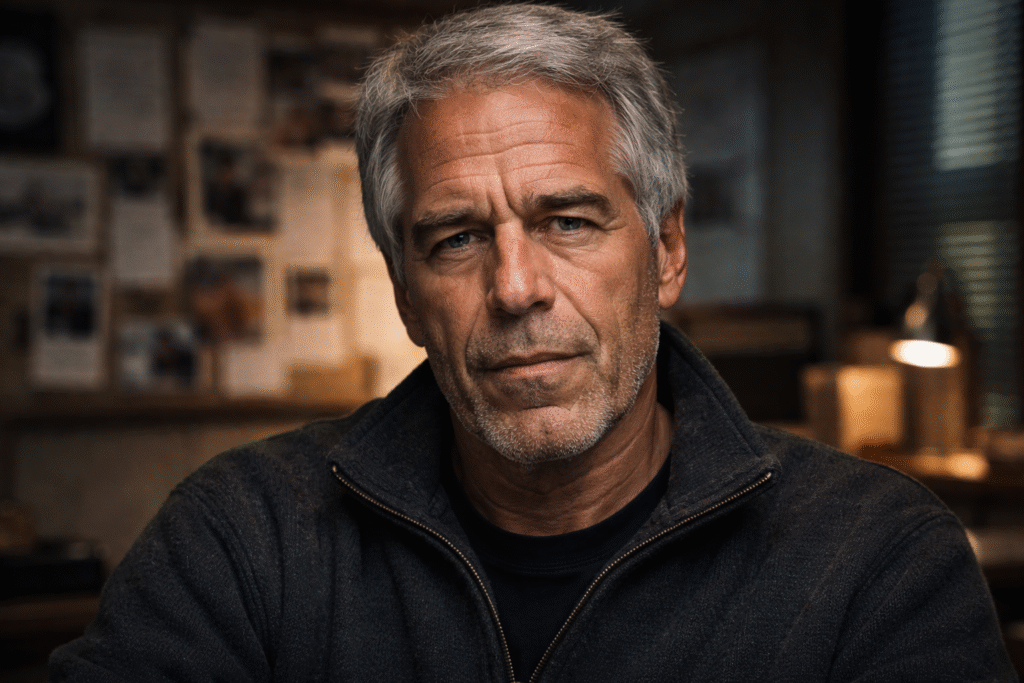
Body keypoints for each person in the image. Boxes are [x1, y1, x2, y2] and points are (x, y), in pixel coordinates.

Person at [50, 5, 1016, 681]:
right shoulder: (243, 539)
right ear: (404, 290)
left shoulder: (876, 563)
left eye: (568, 220)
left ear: (668, 249)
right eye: (457, 238)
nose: (515, 289)